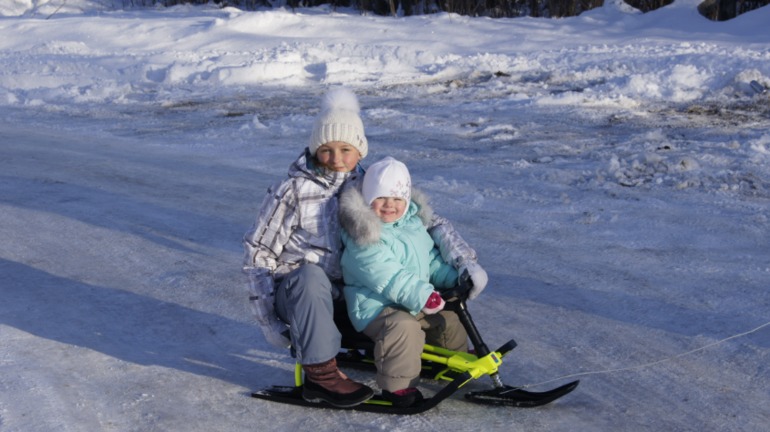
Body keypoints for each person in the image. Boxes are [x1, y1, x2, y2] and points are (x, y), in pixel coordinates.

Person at [242, 88, 488, 409]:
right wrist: (268, 321)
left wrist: (463, 263)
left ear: (360, 150)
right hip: (302, 297)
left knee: (426, 310)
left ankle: (440, 355)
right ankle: (321, 375)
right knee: (311, 276)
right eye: (326, 150)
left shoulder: (370, 183)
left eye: (346, 148)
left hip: (356, 292)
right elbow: (257, 254)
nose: (337, 159)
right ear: (315, 150)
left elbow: (424, 222)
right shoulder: (292, 192)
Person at [338, 156, 484, 408]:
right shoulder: (361, 233)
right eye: (381, 198)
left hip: (414, 298)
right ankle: (398, 387)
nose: (389, 206)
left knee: (448, 316)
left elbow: (431, 260)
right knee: (402, 327)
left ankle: (452, 359)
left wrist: (454, 278)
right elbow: (387, 274)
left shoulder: (412, 225)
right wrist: (422, 295)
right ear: (367, 199)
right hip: (375, 307)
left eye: (397, 199)